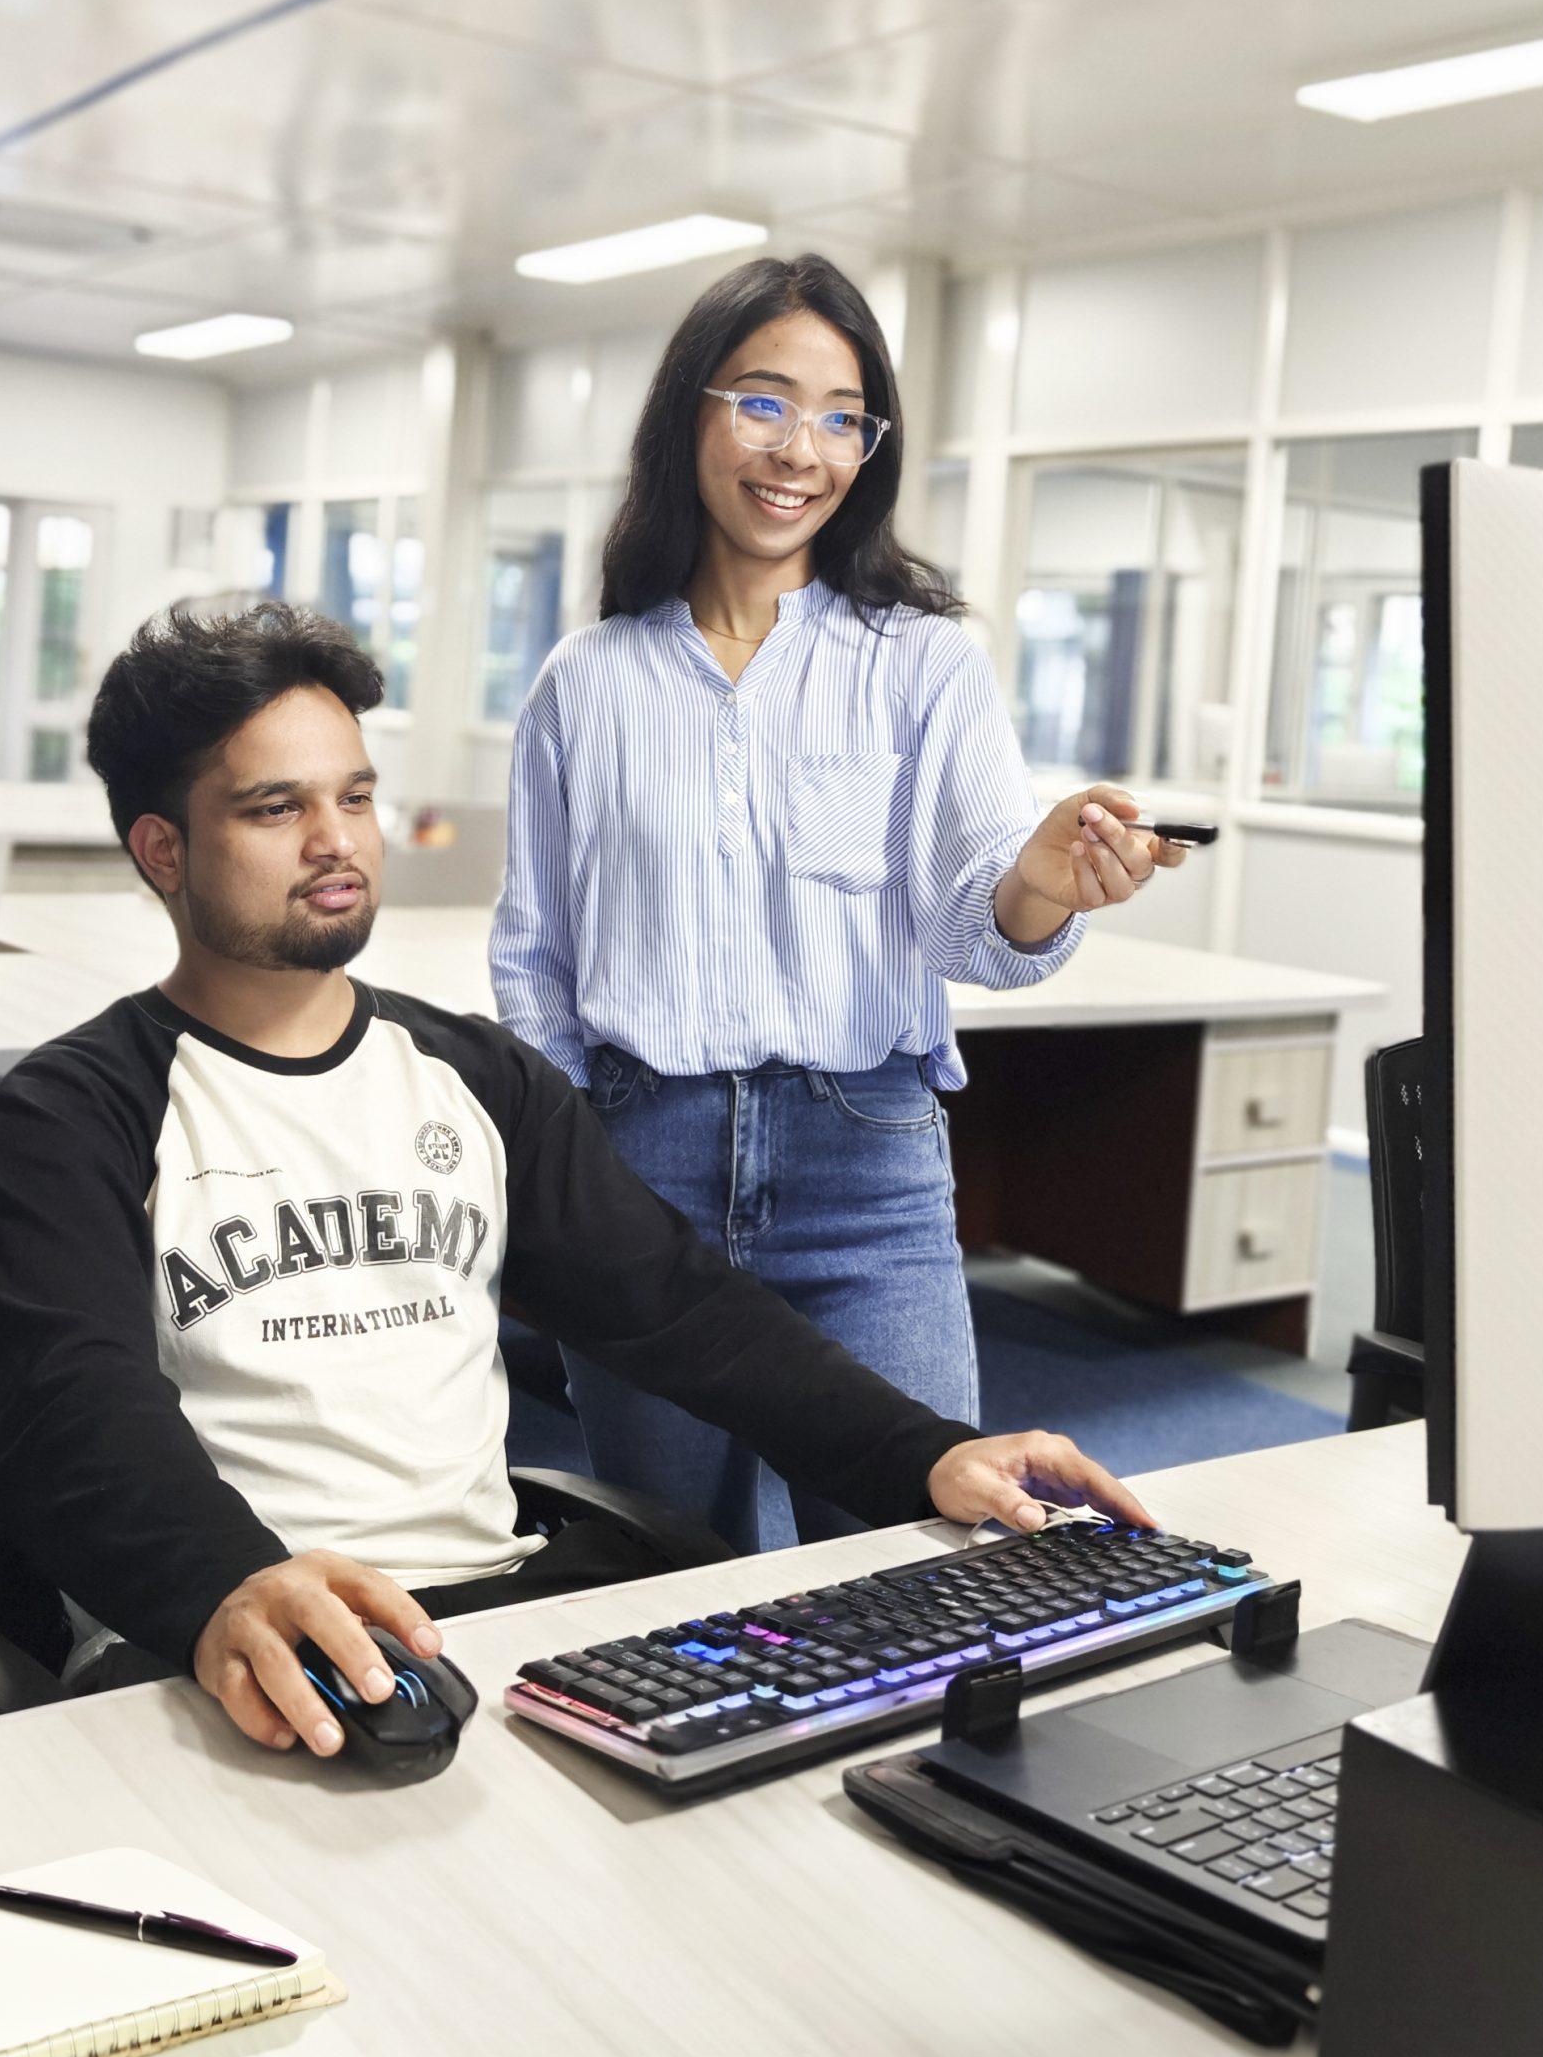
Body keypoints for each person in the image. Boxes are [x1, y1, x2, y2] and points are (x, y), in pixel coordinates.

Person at [0, 600, 1153, 1767]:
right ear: (161, 846)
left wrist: (926, 1451)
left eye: (355, 797)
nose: (337, 842)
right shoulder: (73, 1116)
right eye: (277, 808)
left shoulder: (476, 1077)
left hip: (489, 1613)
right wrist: (224, 1582)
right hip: (232, 1628)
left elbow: (680, 1308)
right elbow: (73, 1410)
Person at [489, 253, 1192, 1558]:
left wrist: (1043, 882)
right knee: (666, 1567)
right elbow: (536, 952)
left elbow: (976, 933)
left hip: (862, 1170)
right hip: (642, 1168)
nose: (798, 448)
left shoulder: (923, 664)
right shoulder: (585, 683)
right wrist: (565, 1155)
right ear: (689, 413)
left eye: (839, 415)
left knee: (919, 1558)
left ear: (871, 446)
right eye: (762, 400)